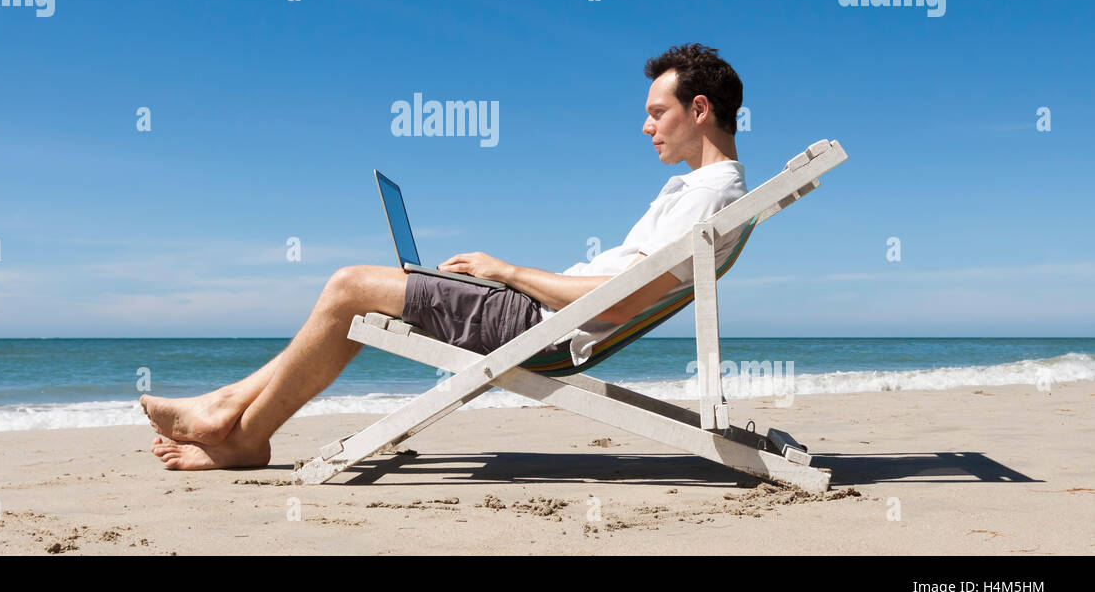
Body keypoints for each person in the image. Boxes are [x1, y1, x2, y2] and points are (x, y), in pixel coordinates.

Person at [142, 42, 748, 470]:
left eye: (656, 113)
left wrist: (506, 271)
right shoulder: (700, 193)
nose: (646, 127)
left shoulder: (712, 196)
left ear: (699, 109)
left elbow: (620, 305)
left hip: (544, 330)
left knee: (349, 285)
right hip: (544, 317)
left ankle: (237, 425)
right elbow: (624, 293)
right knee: (364, 295)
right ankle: (235, 420)